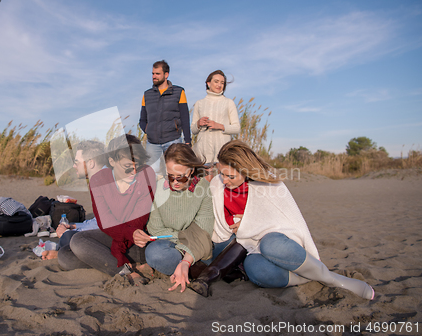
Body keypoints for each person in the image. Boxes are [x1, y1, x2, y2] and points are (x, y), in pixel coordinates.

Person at [190, 140, 375, 300]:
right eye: (221, 173)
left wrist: (246, 225)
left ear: (246, 171)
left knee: (271, 244)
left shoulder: (268, 184)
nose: (224, 179)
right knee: (255, 269)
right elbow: (212, 220)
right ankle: (306, 278)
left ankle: (330, 278)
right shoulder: (217, 185)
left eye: (230, 176)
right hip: (241, 249)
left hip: (273, 242)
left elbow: (288, 221)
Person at [57, 134, 156, 285]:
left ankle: (125, 272)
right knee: (65, 256)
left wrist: (123, 245)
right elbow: (105, 222)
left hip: (137, 241)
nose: (134, 171)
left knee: (78, 241)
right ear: (112, 161)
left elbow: (139, 220)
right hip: (116, 236)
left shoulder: (146, 174)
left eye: (138, 164)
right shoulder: (98, 181)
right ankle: (128, 264)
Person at [141, 143, 214, 293]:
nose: (174, 183)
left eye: (180, 178)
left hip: (195, 246)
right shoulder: (160, 188)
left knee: (209, 249)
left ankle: (185, 267)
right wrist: (184, 237)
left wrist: (186, 259)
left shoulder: (203, 189)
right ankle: (196, 270)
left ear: (191, 170)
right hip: (174, 245)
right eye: (170, 176)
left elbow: (203, 230)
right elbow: (155, 228)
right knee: (154, 253)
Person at [42, 140, 106, 260]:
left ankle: (65, 253)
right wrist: (73, 226)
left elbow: (105, 226)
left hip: (119, 238)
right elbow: (99, 220)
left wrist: (69, 233)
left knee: (69, 239)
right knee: (69, 238)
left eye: (77, 162)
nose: (74, 166)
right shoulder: (99, 179)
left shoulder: (104, 182)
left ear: (91, 163)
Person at [139, 60, 191, 175]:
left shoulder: (179, 92)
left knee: (175, 173)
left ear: (166, 74)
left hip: (173, 140)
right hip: (152, 144)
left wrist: (188, 141)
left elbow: (185, 118)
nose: (154, 76)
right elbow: (142, 120)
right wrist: (149, 130)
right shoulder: (147, 95)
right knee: (151, 175)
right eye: (153, 74)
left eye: (157, 74)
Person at [191, 70, 240, 165]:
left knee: (221, 179)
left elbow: (237, 128)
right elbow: (193, 130)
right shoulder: (199, 103)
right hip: (202, 153)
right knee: (204, 179)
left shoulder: (229, 102)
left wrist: (219, 126)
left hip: (222, 153)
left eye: (222, 83)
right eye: (216, 81)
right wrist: (198, 124)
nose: (219, 85)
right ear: (208, 83)